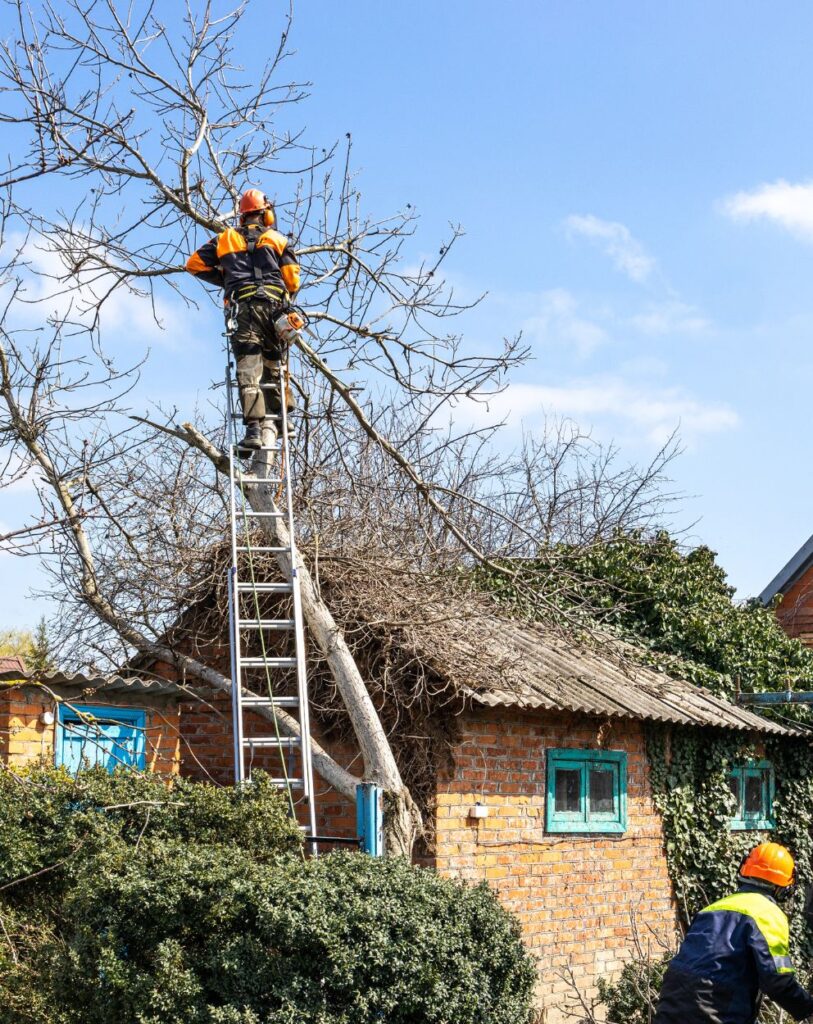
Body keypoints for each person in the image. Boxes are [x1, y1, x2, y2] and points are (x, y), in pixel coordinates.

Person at [186, 189, 302, 455]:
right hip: (274, 310)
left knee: (248, 370)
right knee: (274, 363)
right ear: (266, 213)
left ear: (242, 215)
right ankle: (284, 419)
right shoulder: (278, 240)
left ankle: (253, 431)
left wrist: (227, 280)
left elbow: (193, 264)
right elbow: (293, 280)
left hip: (243, 310)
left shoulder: (225, 238)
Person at [654, 842, 813, 1024]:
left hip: (672, 998)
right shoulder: (769, 913)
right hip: (715, 1005)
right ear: (782, 886)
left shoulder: (712, 909)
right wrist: (807, 1008)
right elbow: (777, 980)